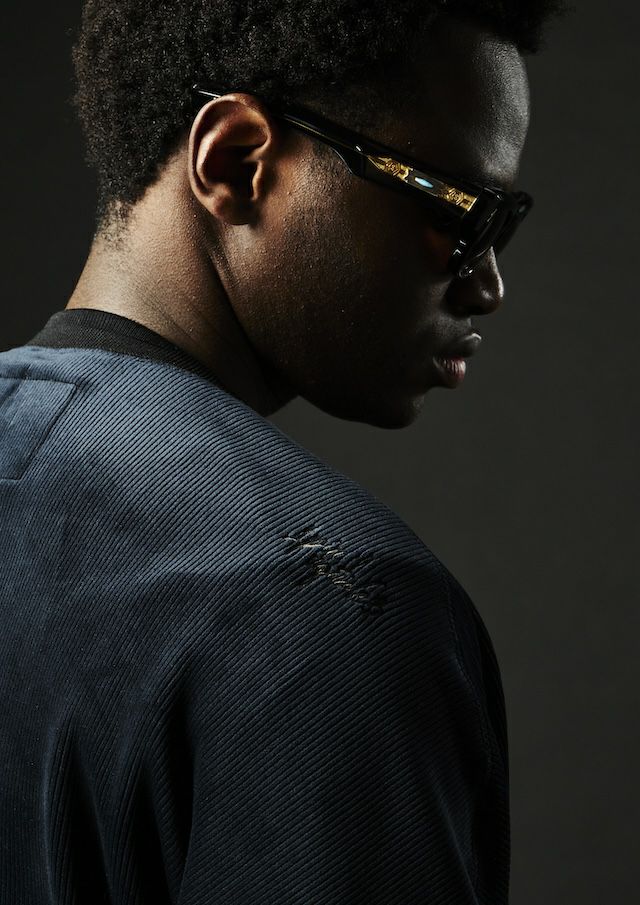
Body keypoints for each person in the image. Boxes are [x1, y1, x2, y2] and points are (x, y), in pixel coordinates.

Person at [0, 1, 561, 902]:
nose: (487, 283)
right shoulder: (335, 609)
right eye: (459, 207)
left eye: (504, 221)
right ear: (235, 162)